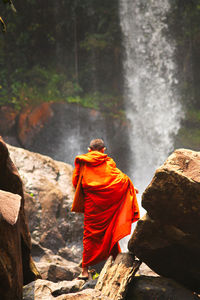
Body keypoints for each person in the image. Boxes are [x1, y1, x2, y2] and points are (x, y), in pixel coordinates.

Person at [72, 138, 140, 279]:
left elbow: (76, 182)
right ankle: (116, 265)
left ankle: (85, 271)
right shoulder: (108, 162)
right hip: (107, 206)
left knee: (89, 236)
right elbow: (118, 180)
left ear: (89, 150)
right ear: (103, 150)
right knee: (110, 231)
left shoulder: (83, 161)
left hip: (92, 205)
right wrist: (130, 187)